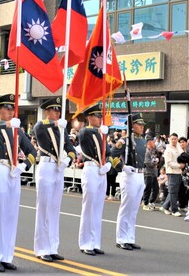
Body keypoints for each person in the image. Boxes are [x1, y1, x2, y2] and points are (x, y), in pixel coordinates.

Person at [0, 94, 37, 272]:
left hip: (14, 172)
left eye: (11, 108)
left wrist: (24, 165)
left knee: (11, 215)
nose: (9, 111)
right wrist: (8, 124)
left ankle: (7, 256)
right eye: (5, 108)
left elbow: (31, 151)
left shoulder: (18, 131)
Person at [33, 97, 76, 262]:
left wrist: (68, 160)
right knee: (43, 208)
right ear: (47, 112)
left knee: (54, 209)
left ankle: (52, 247)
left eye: (58, 110)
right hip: (46, 167)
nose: (57, 113)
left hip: (59, 168)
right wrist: (56, 125)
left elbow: (70, 149)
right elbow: (39, 129)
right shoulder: (42, 125)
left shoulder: (62, 128)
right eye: (54, 110)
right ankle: (42, 248)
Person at [78, 104, 112, 255]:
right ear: (89, 118)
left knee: (98, 208)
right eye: (97, 116)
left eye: (100, 117)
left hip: (101, 171)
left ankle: (94, 242)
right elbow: (83, 134)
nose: (100, 119)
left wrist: (109, 164)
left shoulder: (101, 133)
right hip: (91, 168)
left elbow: (109, 152)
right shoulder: (87, 131)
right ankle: (85, 243)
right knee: (89, 207)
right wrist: (99, 131)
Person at [115, 113, 146, 251]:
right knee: (126, 208)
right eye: (139, 125)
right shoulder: (124, 140)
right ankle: (121, 238)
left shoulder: (142, 141)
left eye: (142, 125)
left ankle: (130, 238)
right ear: (132, 126)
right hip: (129, 175)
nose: (142, 127)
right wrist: (122, 167)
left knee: (134, 210)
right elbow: (112, 155)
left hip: (140, 175)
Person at [161, 133, 184, 216]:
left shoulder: (178, 148)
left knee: (174, 191)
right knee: (173, 191)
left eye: (175, 139)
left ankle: (165, 206)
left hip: (179, 172)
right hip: (172, 172)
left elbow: (182, 156)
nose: (174, 140)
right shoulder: (168, 150)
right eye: (172, 139)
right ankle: (174, 210)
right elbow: (169, 163)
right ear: (169, 140)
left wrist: (183, 165)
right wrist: (179, 166)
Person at [142, 135, 159, 210]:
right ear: (149, 142)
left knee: (156, 188)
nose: (154, 142)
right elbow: (147, 163)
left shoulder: (152, 151)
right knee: (147, 189)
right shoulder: (146, 152)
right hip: (148, 173)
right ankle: (145, 203)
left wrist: (155, 161)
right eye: (153, 141)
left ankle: (151, 202)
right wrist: (155, 163)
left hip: (153, 173)